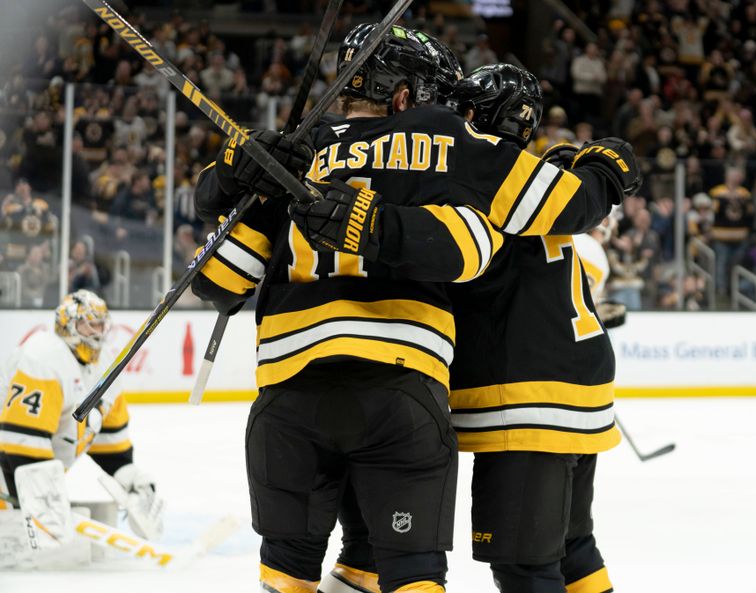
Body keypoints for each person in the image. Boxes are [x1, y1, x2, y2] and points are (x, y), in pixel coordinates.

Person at [193, 24, 633, 593]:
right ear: (405, 96)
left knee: (292, 570)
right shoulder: (447, 140)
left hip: (289, 387)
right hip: (407, 386)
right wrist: (608, 169)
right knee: (429, 568)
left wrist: (226, 176)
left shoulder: (295, 152)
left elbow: (218, 281)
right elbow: (477, 249)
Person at [308, 63, 637, 593]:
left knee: (525, 565)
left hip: (521, 398)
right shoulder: (540, 184)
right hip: (583, 388)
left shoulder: (472, 181)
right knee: (573, 547)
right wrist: (599, 174)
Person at [0, 290, 163, 558]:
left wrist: (130, 479)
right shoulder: (44, 356)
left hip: (26, 474)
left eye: (100, 324)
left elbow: (111, 443)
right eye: (88, 324)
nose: (96, 332)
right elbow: (19, 440)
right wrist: (38, 502)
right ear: (67, 325)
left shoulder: (107, 364)